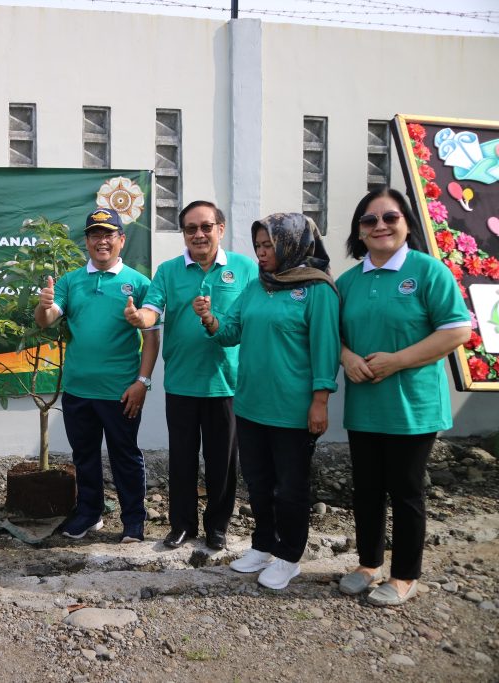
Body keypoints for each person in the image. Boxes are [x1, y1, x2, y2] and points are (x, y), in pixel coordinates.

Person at [336, 187, 470, 606]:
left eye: (389, 217)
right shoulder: (346, 282)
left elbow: (457, 331)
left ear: (406, 223)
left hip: (413, 406)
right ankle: (368, 563)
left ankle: (405, 574)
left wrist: (396, 361)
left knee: (406, 489)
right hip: (364, 405)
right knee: (367, 489)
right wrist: (347, 357)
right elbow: (330, 335)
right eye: (369, 220)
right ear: (358, 232)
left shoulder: (429, 272)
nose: (380, 226)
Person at [194, 213, 340, 590]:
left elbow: (326, 348)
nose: (261, 254)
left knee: (290, 487)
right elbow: (231, 333)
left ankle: (290, 555)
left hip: (293, 410)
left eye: (268, 246)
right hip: (251, 405)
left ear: (292, 245)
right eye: (258, 246)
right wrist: (210, 320)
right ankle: (262, 545)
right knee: (258, 483)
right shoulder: (258, 286)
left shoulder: (316, 289)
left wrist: (320, 401)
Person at [125, 200, 257, 550]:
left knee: (222, 463)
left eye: (206, 227)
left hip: (227, 382)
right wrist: (142, 319)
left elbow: (255, 317)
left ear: (220, 229)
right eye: (190, 229)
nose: (198, 234)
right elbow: (153, 309)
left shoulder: (245, 269)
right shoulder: (169, 270)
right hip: (182, 382)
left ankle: (218, 526)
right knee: (181, 459)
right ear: (183, 233)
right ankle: (182, 525)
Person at [36, 208, 158, 542]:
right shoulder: (70, 281)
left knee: (125, 456)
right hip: (78, 389)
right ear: (87, 241)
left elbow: (151, 338)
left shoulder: (139, 283)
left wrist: (142, 382)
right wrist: (45, 304)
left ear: (121, 239)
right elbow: (46, 319)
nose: (101, 241)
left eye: (108, 234)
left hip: (121, 391)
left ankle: (134, 520)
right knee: (84, 457)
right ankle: (89, 513)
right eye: (94, 235)